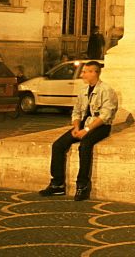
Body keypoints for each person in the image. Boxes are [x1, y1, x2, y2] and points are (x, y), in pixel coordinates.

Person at [39, 60, 117, 201]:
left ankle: (82, 185)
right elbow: (76, 112)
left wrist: (86, 130)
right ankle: (57, 184)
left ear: (94, 73)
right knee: (58, 145)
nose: (81, 75)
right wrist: (76, 128)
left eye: (85, 72)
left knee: (85, 146)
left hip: (100, 127)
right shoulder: (83, 92)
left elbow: (105, 116)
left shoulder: (106, 90)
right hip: (83, 125)